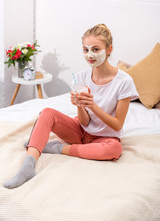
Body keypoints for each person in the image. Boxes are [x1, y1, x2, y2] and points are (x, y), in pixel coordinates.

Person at [3, 24, 139, 189]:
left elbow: (117, 124)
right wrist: (80, 106)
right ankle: (28, 166)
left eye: (96, 49)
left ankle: (58, 148)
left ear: (109, 49)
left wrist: (93, 105)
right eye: (85, 49)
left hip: (106, 138)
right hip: (81, 132)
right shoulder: (81, 77)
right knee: (47, 112)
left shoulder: (124, 82)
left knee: (115, 149)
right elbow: (85, 122)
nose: (89, 55)